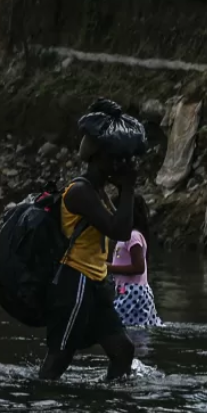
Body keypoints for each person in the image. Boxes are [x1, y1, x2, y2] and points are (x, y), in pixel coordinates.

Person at [38, 133, 137, 381]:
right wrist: (128, 188)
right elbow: (121, 231)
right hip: (75, 280)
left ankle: (105, 405)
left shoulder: (98, 191)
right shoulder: (80, 192)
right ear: (97, 158)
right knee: (61, 355)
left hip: (95, 282)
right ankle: (40, 407)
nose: (118, 163)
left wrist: (125, 189)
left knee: (123, 350)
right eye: (113, 157)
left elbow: (123, 228)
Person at [108, 195, 162, 327]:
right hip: (128, 291)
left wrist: (108, 268)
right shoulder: (124, 237)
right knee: (135, 328)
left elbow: (139, 268)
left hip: (133, 293)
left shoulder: (133, 237)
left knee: (118, 327)